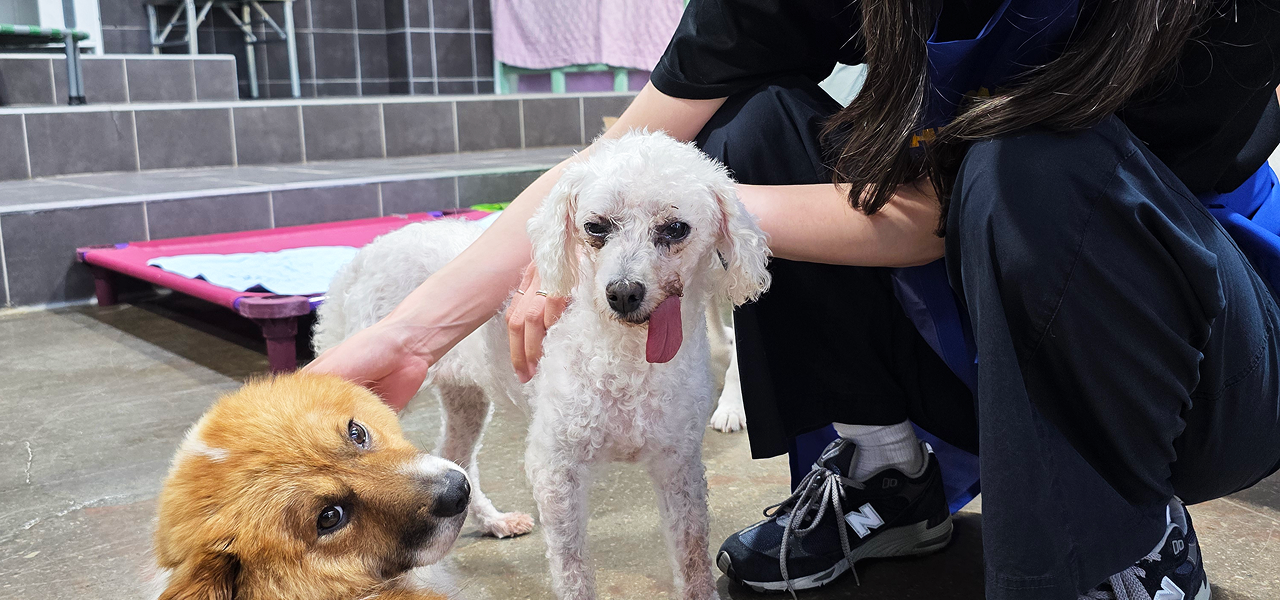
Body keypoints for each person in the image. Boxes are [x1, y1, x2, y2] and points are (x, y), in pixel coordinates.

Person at [309, 1, 1280, 598]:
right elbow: (624, 151)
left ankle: (1116, 531)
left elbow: (941, 213)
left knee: (1037, 165)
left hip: (1184, 375)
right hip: (966, 333)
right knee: (756, 118)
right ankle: (883, 473)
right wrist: (409, 334)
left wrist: (696, 208)